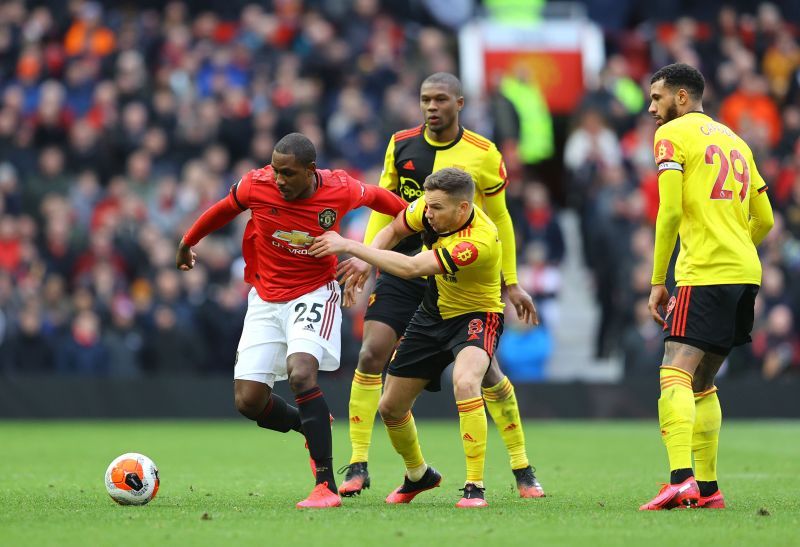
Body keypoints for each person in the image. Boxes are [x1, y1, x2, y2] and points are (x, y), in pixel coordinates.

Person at [336, 72, 544, 499]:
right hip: (404, 265)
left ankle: (519, 468)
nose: (431, 107)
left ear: (459, 103)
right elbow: (386, 208)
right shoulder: (402, 144)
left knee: (481, 376)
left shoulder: (485, 154)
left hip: (458, 275)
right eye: (425, 99)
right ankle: (360, 462)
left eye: (440, 100)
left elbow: (501, 219)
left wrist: (511, 281)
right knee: (372, 350)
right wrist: (363, 255)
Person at [175, 133, 405, 509]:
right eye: (275, 170)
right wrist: (188, 242)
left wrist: (390, 240)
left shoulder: (340, 188)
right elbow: (223, 209)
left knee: (301, 373)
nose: (278, 179)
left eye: (287, 172)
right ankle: (309, 423)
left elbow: (390, 204)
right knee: (249, 402)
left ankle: (325, 485)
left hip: (314, 291)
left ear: (310, 171)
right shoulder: (257, 184)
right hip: (265, 298)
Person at [311, 167, 534, 508]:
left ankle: (476, 486)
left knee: (466, 381)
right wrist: (365, 259)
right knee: (390, 406)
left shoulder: (479, 241)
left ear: (462, 209)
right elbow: (395, 227)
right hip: (432, 315)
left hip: (476, 317)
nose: (427, 214)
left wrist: (350, 246)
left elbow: (412, 268)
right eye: (427, 206)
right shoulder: (430, 209)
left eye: (436, 208)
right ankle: (419, 475)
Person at [641, 64, 774, 510]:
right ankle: (710, 489)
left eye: (657, 98)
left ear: (681, 97)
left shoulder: (672, 136)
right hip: (745, 274)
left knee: (673, 368)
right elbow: (767, 219)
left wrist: (659, 279)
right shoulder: (736, 140)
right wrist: (739, 247)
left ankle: (681, 479)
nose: (651, 108)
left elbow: (670, 212)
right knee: (702, 380)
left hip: (706, 272)